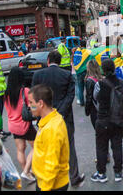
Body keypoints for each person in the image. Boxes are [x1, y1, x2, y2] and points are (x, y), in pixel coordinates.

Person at [31, 51, 85, 187]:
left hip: (43, 117)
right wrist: (59, 112)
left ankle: (44, 176)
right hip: (64, 116)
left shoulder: (38, 75)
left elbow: (34, 97)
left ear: (48, 60)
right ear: (60, 62)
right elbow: (70, 96)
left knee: (45, 148)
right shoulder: (66, 75)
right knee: (69, 146)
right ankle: (74, 176)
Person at [91, 59, 123, 183]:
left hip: (103, 119)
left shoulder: (100, 84)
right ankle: (118, 172)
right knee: (117, 145)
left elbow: (95, 98)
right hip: (118, 119)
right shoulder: (122, 83)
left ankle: (101, 173)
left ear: (103, 70)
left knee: (101, 147)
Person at [28, 85, 70, 191]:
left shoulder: (52, 129)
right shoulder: (52, 120)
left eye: (31, 102)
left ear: (41, 103)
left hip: (51, 185)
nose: (29, 106)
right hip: (46, 181)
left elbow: (52, 164)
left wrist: (45, 188)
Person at [3, 67, 36, 182]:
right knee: (37, 146)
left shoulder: (6, 93)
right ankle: (26, 171)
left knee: (20, 149)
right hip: (25, 124)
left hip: (13, 125)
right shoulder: (25, 91)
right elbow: (33, 105)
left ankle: (27, 171)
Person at [85, 59, 103, 129]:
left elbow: (89, 97)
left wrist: (87, 110)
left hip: (94, 108)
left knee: (97, 130)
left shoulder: (89, 80)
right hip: (103, 107)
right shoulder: (101, 78)